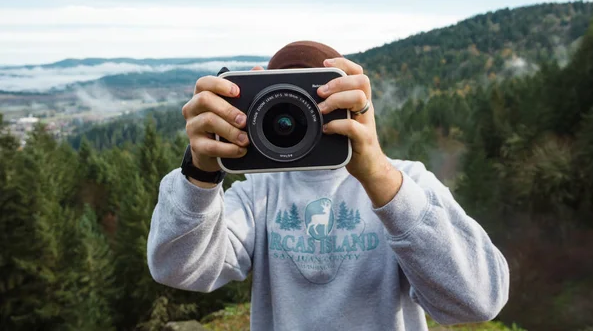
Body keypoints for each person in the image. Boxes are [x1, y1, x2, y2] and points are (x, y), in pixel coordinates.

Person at [147, 41, 510, 331]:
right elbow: (176, 268)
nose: (291, 118)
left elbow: (478, 299)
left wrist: (379, 175)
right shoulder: (259, 192)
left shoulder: (403, 184)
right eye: (278, 105)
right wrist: (200, 173)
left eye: (309, 100)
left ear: (349, 104)